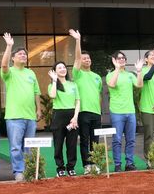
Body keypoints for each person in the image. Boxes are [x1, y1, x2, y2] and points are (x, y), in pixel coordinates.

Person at [1, 33, 41, 181]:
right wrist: (9, 46)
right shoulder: (9, 72)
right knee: (15, 146)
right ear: (13, 58)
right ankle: (19, 171)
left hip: (30, 116)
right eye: (20, 54)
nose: (23, 56)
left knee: (28, 146)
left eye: (25, 54)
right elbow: (4, 65)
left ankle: (28, 170)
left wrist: (38, 109)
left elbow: (36, 92)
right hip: (14, 116)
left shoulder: (31, 73)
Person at [70, 29, 103, 174]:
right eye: (84, 58)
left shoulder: (97, 77)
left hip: (96, 113)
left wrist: (99, 111)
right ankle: (87, 166)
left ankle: (95, 164)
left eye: (88, 58)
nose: (87, 60)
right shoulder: (77, 74)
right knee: (84, 140)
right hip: (83, 112)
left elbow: (99, 95)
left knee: (95, 140)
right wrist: (78, 40)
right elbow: (77, 59)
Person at [107, 51, 144, 172]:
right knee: (117, 140)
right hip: (117, 111)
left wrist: (139, 71)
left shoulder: (129, 75)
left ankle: (129, 163)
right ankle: (118, 164)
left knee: (131, 140)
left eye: (123, 58)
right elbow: (112, 84)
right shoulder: (110, 75)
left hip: (130, 111)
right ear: (114, 61)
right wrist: (117, 69)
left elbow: (139, 85)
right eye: (119, 58)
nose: (122, 60)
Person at [48, 62, 80, 177]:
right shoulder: (52, 85)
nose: (62, 69)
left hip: (72, 116)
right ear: (55, 71)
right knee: (58, 144)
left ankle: (71, 167)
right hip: (58, 115)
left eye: (64, 67)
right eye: (59, 68)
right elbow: (52, 96)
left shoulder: (73, 84)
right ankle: (60, 168)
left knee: (72, 144)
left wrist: (75, 117)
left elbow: (77, 101)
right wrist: (54, 80)